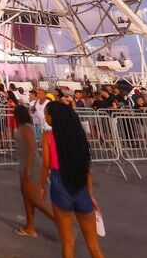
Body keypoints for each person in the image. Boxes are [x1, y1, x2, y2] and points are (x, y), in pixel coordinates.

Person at [41, 102, 104, 258]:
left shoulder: (48, 136)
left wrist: (41, 184)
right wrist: (91, 195)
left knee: (68, 243)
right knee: (94, 246)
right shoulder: (79, 137)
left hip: (59, 187)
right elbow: (86, 168)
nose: (45, 118)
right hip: (81, 188)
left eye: (46, 114)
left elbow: (46, 165)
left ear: (54, 117)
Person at [14, 104, 55, 237]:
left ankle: (63, 223)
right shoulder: (22, 127)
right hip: (24, 165)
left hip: (30, 166)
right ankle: (30, 227)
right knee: (27, 198)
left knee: (36, 199)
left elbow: (32, 148)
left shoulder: (26, 128)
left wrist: (27, 168)